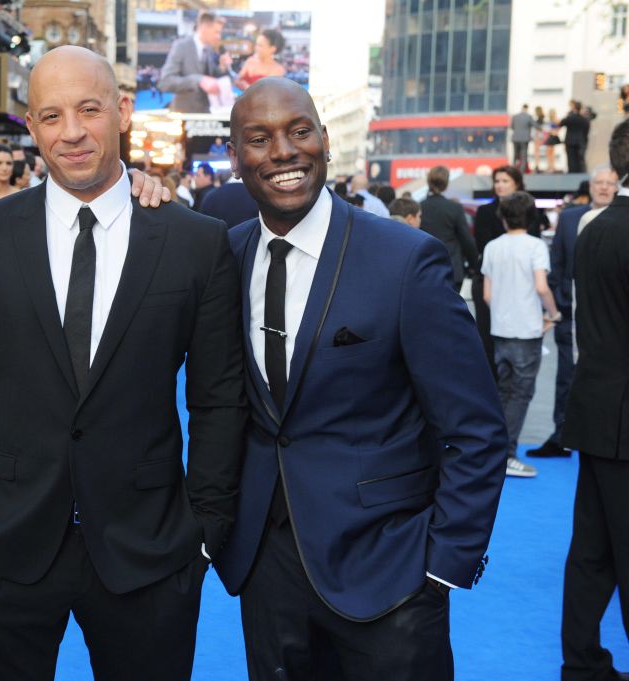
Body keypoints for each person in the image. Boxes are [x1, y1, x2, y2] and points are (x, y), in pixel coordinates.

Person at [0, 45, 246, 681]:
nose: (71, 132)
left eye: (89, 109)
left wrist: (202, 532)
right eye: (50, 115)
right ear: (31, 124)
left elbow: (220, 398)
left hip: (147, 549)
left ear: (122, 111)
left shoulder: (194, 242)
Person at [213, 77, 507, 681]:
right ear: (236, 157)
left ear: (324, 140)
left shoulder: (405, 259)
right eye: (259, 139)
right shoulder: (225, 254)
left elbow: (476, 427)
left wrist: (445, 562)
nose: (284, 152)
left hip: (390, 569)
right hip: (268, 571)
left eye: (299, 132)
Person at [559, 117, 629, 681]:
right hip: (623, 420)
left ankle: (582, 663)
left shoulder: (593, 227)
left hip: (597, 408)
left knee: (591, 551)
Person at [528, 166, 619, 459]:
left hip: (613, 316)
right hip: (571, 311)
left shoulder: (621, 221)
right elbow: (557, 266)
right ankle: (561, 435)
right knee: (566, 375)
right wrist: (554, 308)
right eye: (600, 182)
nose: (604, 187)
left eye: (610, 183)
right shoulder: (569, 219)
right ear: (590, 186)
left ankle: (602, 438)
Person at [481, 191, 560, 479]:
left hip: (500, 328)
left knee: (504, 391)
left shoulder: (492, 247)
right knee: (521, 394)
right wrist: (553, 313)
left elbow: (487, 295)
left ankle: (496, 451)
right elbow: (541, 287)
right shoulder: (535, 246)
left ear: (503, 217)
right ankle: (508, 454)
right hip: (526, 330)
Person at [472, 165, 546, 379]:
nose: (500, 185)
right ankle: (491, 387)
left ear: (517, 183)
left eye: (505, 181)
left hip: (522, 281)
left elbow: (534, 243)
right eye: (497, 181)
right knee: (488, 337)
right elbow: (482, 245)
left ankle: (511, 388)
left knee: (520, 341)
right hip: (489, 279)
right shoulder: (485, 211)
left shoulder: (530, 210)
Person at [158, 12, 232, 114]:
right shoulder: (181, 46)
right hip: (184, 115)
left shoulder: (209, 49)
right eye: (216, 32)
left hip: (206, 115)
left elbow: (211, 76)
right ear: (205, 28)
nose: (219, 37)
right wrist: (199, 80)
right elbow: (165, 82)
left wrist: (222, 66)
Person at [420, 165, 478, 291]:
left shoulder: (420, 207)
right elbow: (466, 239)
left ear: (429, 181)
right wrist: (474, 264)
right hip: (452, 267)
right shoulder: (454, 208)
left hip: (424, 267)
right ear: (446, 183)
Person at [561, 100, 591, 174]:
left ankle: (572, 173)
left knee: (571, 159)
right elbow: (587, 131)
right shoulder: (584, 119)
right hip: (581, 141)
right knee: (580, 159)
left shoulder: (570, 117)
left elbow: (561, 123)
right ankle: (582, 173)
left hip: (570, 141)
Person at [511, 104, 534, 172]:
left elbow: (512, 127)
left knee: (515, 155)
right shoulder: (528, 117)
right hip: (524, 139)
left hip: (515, 138)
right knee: (523, 155)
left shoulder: (515, 116)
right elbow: (534, 125)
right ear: (527, 109)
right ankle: (522, 171)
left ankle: (514, 170)